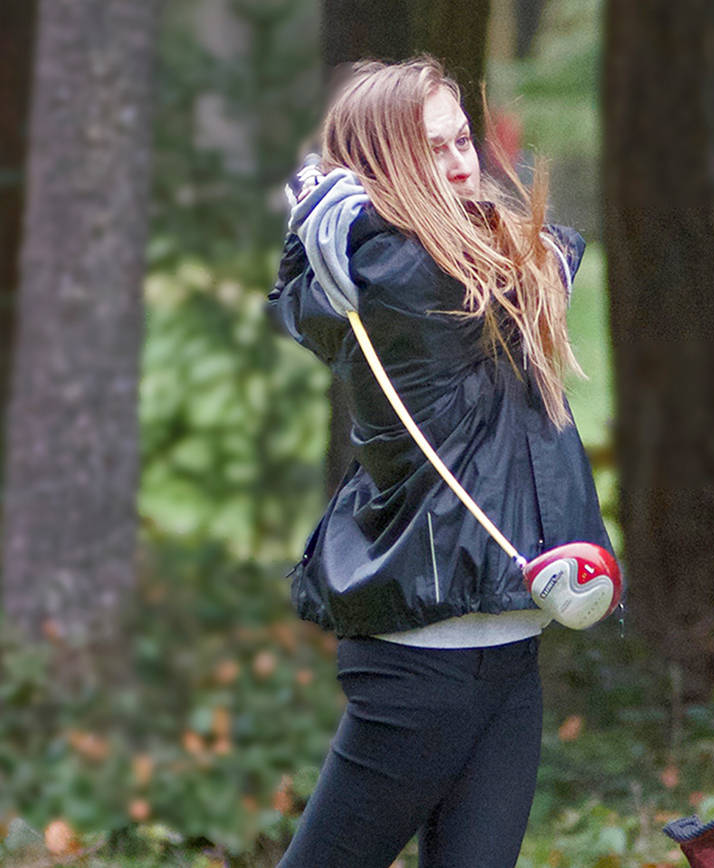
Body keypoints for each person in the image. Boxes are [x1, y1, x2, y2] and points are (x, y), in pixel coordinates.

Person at [266, 56, 614, 867]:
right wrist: (343, 214)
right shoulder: (402, 277)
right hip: (422, 668)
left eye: (464, 140)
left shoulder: (427, 256)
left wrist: (330, 208)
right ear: (383, 167)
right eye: (434, 149)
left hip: (507, 655)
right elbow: (548, 253)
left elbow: (553, 255)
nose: (462, 164)